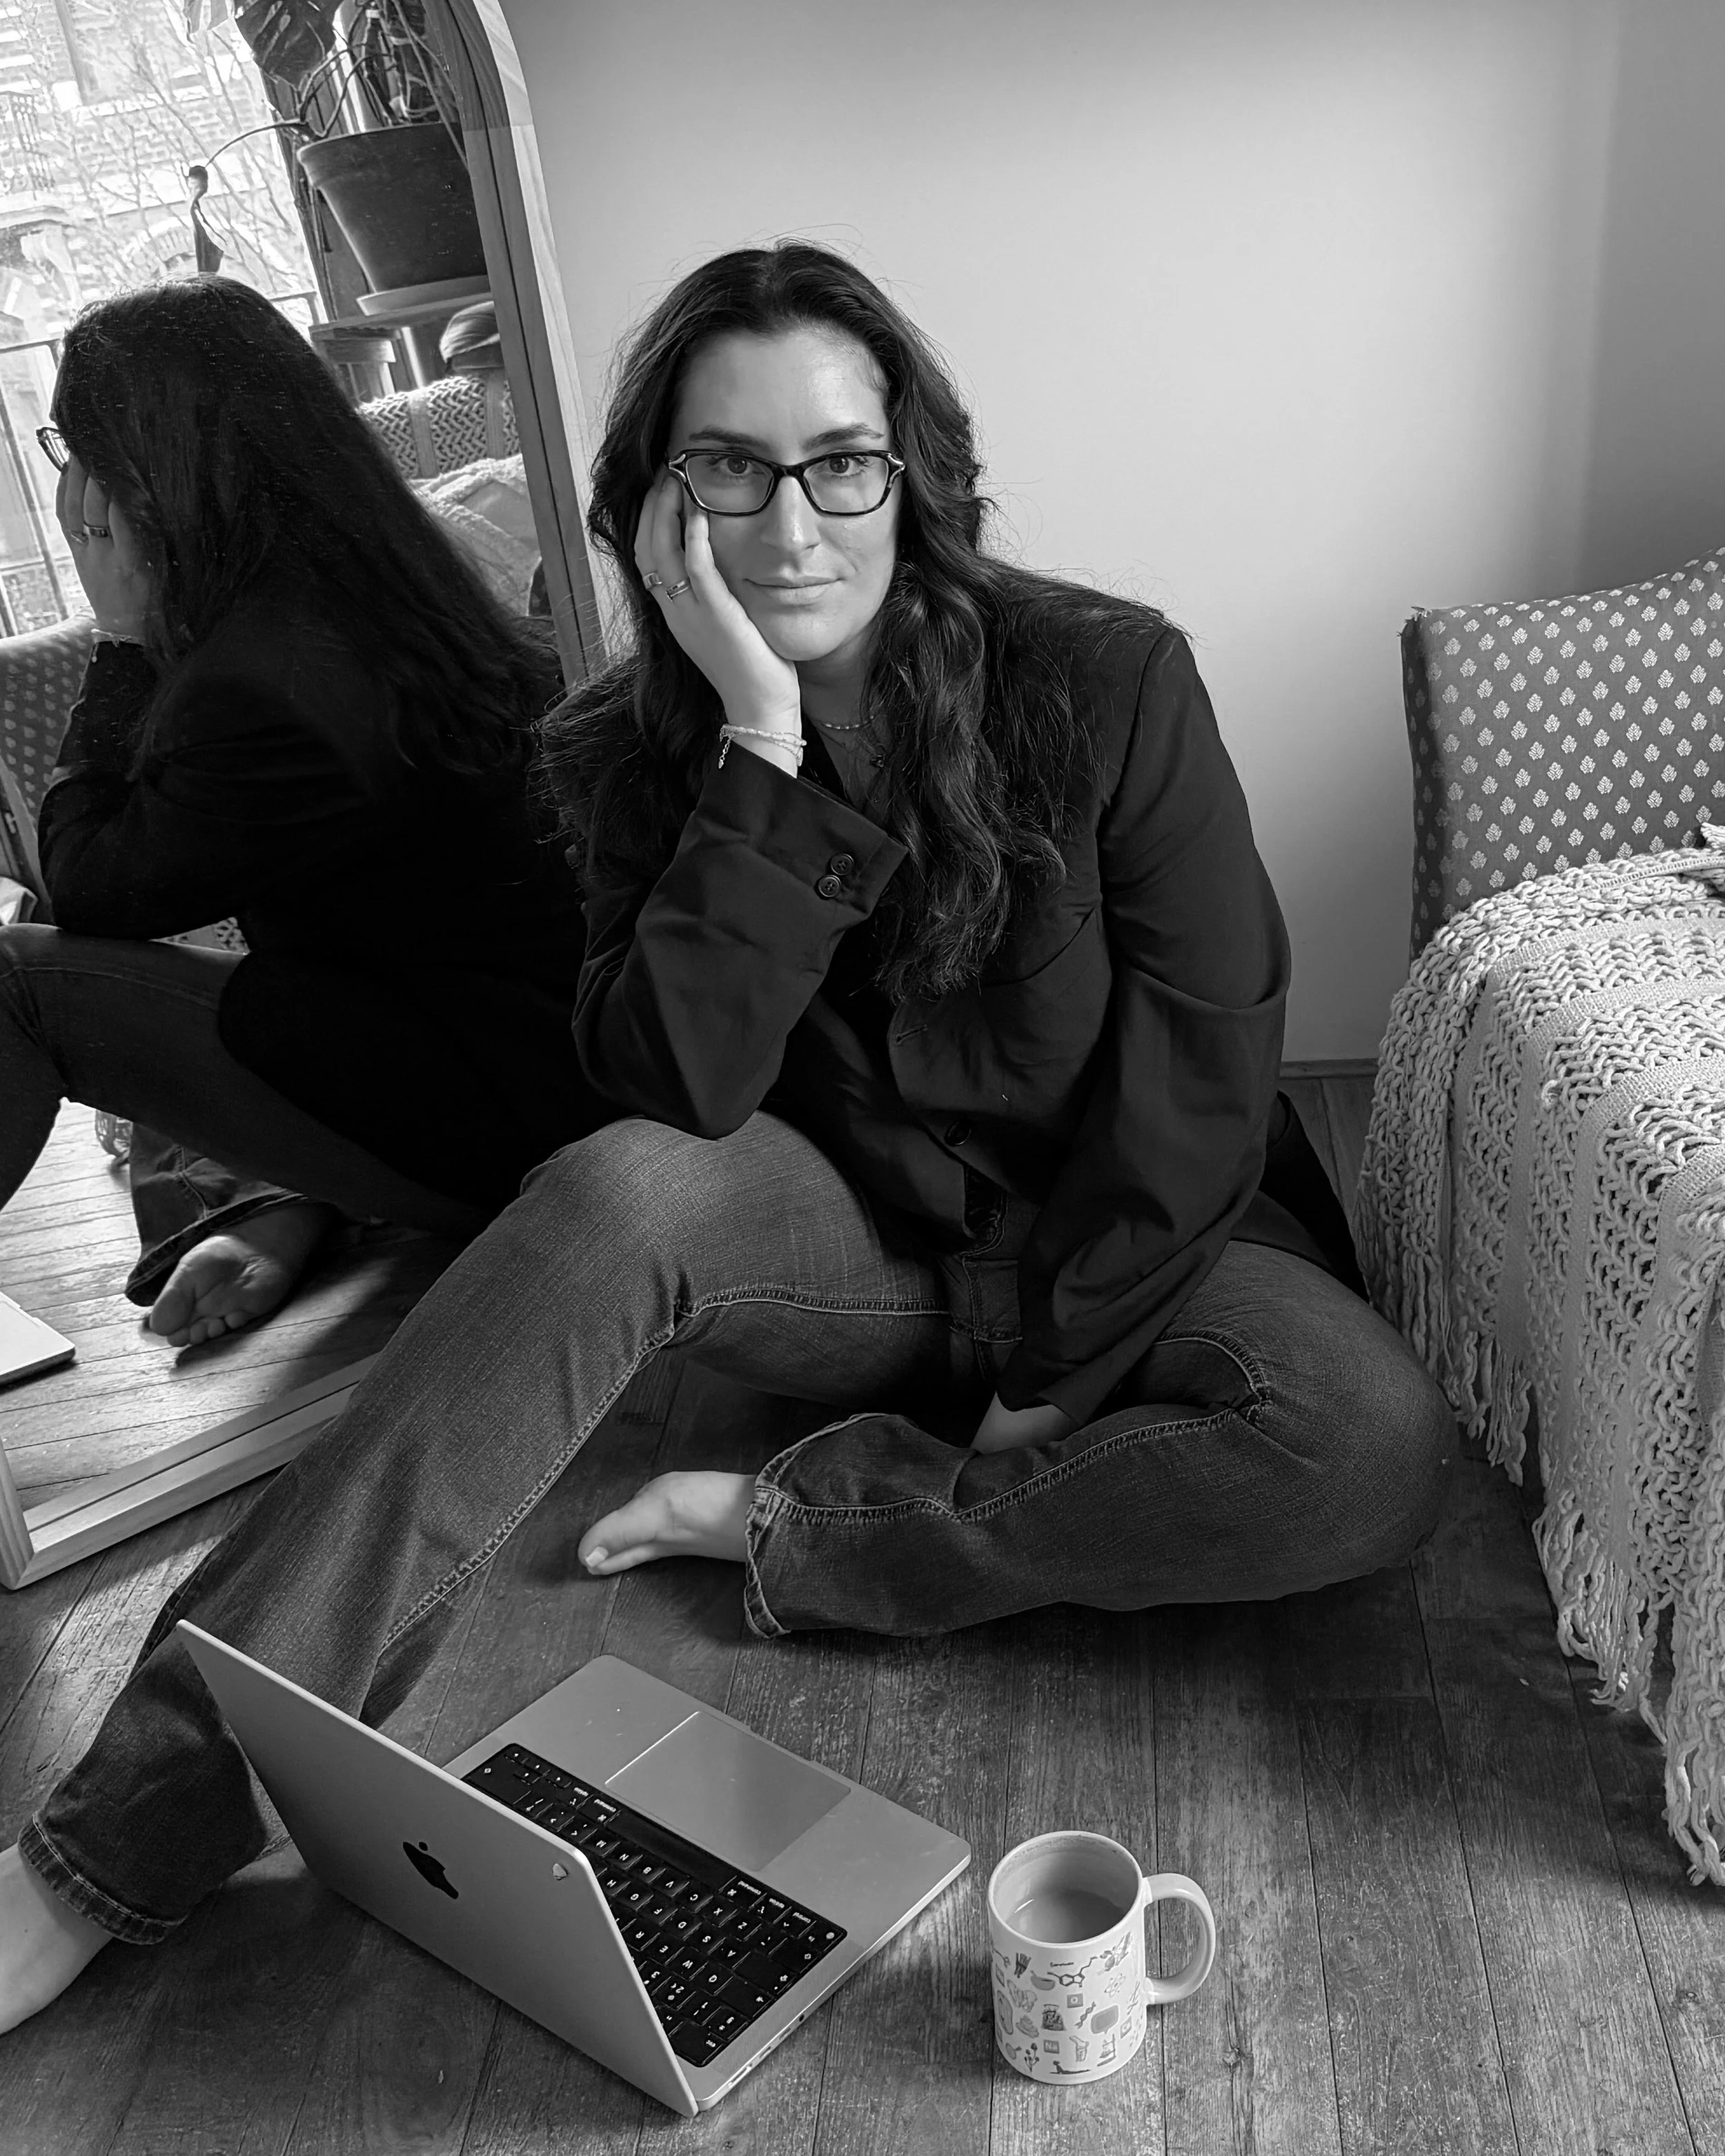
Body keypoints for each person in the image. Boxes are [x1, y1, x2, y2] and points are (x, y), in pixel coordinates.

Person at [0, 241, 1456, 2031]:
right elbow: (673, 1086)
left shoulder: (1106, 679)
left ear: (913, 476)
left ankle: (812, 1525)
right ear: (656, 502)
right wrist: (758, 752)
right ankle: (114, 1838)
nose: (790, 523)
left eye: (840, 462)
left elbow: (1205, 1072)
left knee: (1367, 1445)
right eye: (726, 467)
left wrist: (1041, 1395)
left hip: (1140, 1258)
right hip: (863, 1254)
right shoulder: (622, 753)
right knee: (612, 1193)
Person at [0, 275, 609, 1347]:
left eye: (76, 452)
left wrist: (121, 636)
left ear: (139, 479)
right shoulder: (394, 584)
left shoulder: (263, 682)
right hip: (531, 1073)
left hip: (507, 1132)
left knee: (17, 984)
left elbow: (89, 890)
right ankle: (284, 1204)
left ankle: (280, 1203)